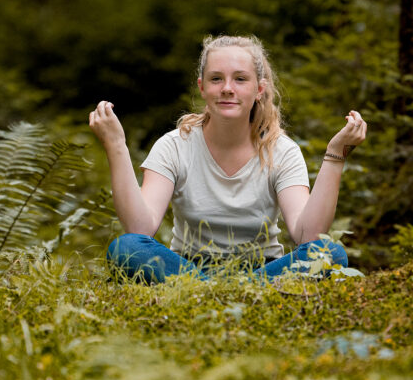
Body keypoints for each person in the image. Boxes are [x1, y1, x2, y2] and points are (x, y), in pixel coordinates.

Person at [88, 35, 366, 283]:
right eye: (216, 79)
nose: (227, 88)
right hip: (185, 268)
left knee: (329, 253)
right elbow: (140, 228)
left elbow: (308, 236)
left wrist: (335, 157)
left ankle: (214, 292)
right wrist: (116, 146)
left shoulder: (282, 151)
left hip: (263, 270)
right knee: (126, 248)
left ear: (259, 89)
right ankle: (226, 292)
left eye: (240, 79)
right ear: (202, 87)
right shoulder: (174, 146)